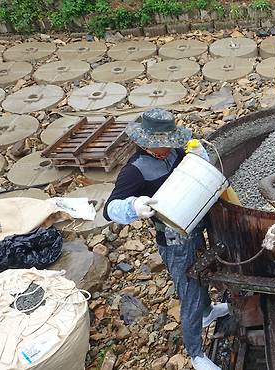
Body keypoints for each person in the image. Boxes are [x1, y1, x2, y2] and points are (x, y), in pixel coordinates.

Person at [103, 108, 227, 370]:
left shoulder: (173, 153)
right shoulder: (134, 172)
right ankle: (196, 354)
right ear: (145, 143)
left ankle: (206, 313)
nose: (170, 147)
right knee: (189, 288)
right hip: (173, 239)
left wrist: (196, 157)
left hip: (193, 224)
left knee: (202, 271)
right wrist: (133, 206)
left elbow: (190, 167)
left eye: (171, 141)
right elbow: (109, 209)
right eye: (164, 143)